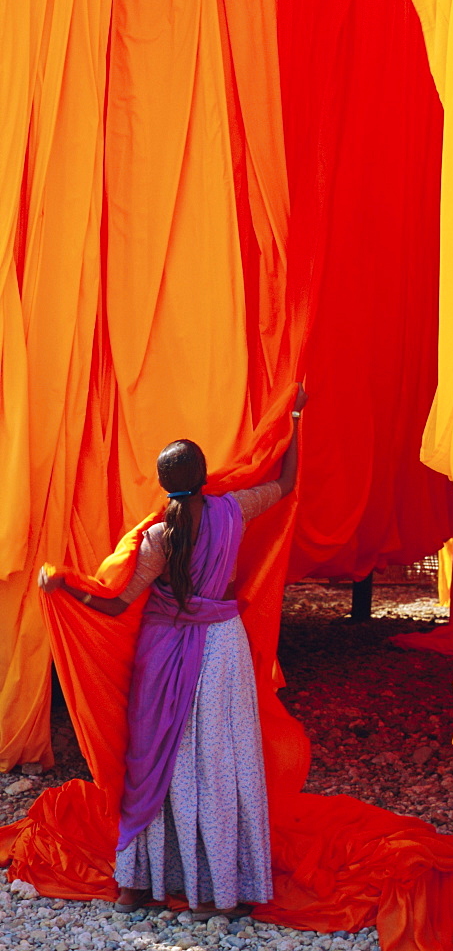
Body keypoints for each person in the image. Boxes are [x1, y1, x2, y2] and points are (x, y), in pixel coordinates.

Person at [38, 384, 308, 920]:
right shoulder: (235, 509)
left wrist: (65, 584)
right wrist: (295, 417)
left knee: (160, 761)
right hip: (223, 648)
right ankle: (221, 891)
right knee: (222, 761)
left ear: (162, 485)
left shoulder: (158, 538)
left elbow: (116, 607)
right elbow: (285, 481)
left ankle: (143, 882)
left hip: (165, 654)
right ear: (206, 476)